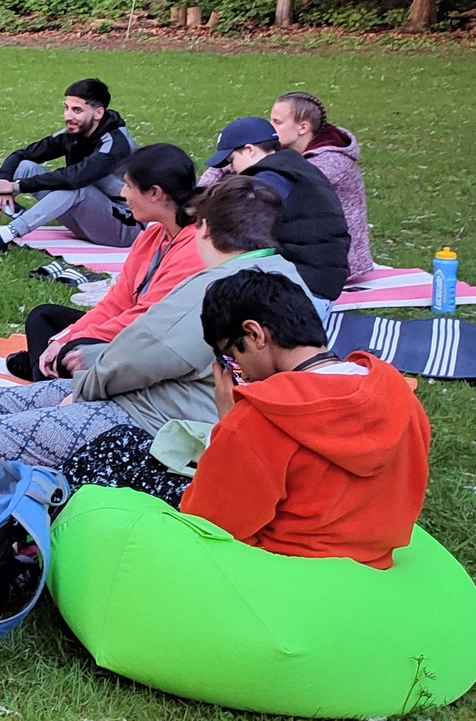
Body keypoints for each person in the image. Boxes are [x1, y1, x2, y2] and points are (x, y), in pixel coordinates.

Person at [0, 177, 326, 467]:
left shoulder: (221, 286)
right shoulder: (279, 274)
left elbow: (152, 350)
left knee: (25, 429)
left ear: (205, 229)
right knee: (35, 397)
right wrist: (92, 364)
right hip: (161, 401)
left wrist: (89, 381)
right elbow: (138, 332)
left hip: (162, 425)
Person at [183, 268, 428, 567]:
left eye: (229, 357)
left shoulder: (259, 415)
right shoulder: (401, 397)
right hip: (376, 561)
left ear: (254, 334)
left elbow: (209, 524)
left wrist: (225, 426)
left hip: (284, 570)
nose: (237, 372)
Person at [6, 143, 206, 380]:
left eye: (129, 186)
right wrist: (65, 336)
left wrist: (75, 340)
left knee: (73, 350)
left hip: (153, 344)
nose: (123, 194)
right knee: (44, 318)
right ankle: (45, 369)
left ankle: (43, 379)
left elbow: (146, 320)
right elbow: (116, 302)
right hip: (131, 331)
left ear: (155, 193)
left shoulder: (194, 247)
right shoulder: (154, 236)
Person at [0, 78, 138, 252]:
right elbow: (21, 154)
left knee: (75, 187)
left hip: (124, 227)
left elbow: (74, 178)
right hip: (87, 218)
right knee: (25, 167)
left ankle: (2, 237)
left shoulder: (116, 144)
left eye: (77, 110)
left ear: (99, 113)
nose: (68, 116)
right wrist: (4, 183)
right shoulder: (74, 133)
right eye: (66, 108)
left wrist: (17, 186)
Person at [205, 116, 351, 301]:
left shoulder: (270, 178)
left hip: (301, 290)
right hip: (319, 282)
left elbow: (243, 221)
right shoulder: (295, 168)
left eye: (231, 160)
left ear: (249, 150)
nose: (232, 169)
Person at [271, 92, 375, 281]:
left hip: (339, 263)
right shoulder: (287, 149)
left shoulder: (332, 162)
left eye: (277, 122)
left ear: (303, 127)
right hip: (309, 248)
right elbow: (224, 164)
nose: (270, 128)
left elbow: (278, 189)